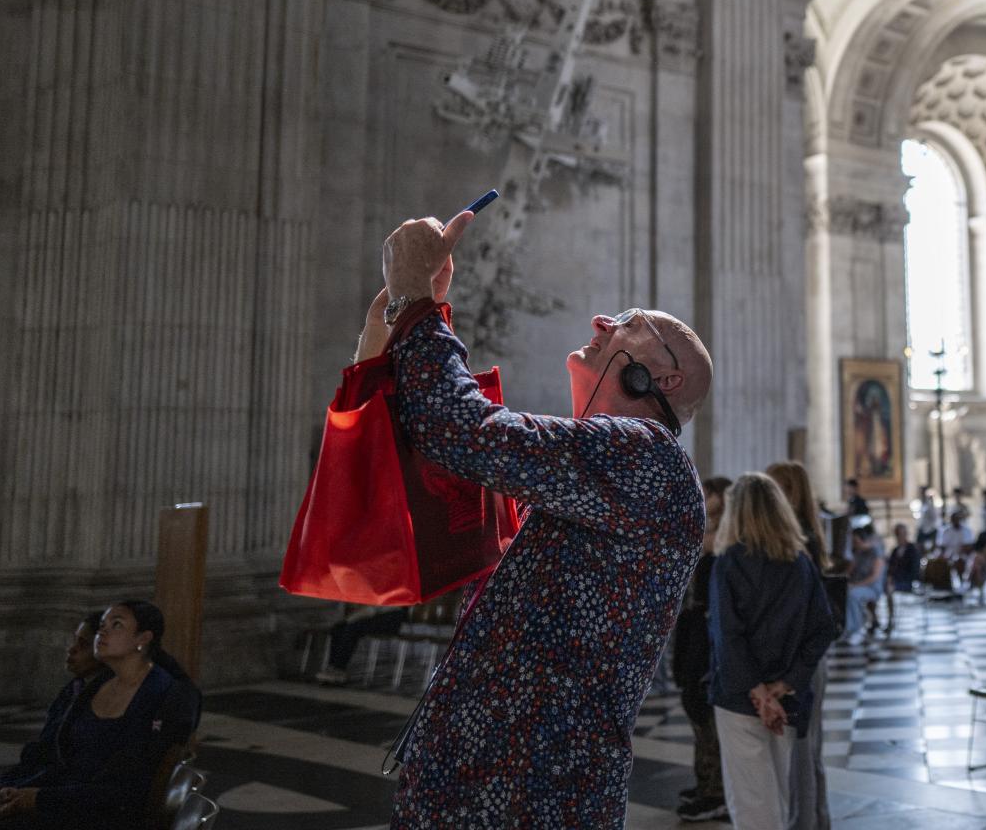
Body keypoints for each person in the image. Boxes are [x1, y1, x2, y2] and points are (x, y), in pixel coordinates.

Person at [364, 212, 711, 828]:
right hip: (475, 778)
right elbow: (423, 459)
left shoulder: (647, 457)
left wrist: (418, 305)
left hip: (530, 788)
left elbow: (463, 430)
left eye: (631, 324)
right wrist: (392, 326)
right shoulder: (574, 478)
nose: (603, 321)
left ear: (664, 379)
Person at [707, 474, 837, 830]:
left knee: (751, 805)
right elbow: (823, 629)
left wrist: (758, 692)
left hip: (740, 700)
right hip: (788, 699)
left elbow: (728, 635)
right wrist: (785, 684)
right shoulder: (801, 564)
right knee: (778, 799)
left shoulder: (730, 563)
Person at [0, 602, 202, 827]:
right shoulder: (97, 685)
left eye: (116, 625)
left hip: (106, 816)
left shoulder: (160, 696)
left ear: (143, 639)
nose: (102, 631)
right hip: (66, 800)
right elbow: (63, 760)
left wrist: (38, 798)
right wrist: (17, 790)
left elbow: (129, 790)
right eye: (102, 625)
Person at [762, 462, 834, 830]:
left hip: (800, 661)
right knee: (809, 752)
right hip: (808, 659)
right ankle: (818, 820)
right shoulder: (807, 535)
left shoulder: (797, 541)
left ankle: (804, 823)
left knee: (802, 753)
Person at [672, 476, 734, 824]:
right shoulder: (708, 531)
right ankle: (705, 782)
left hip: (708, 633)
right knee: (695, 707)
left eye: (709, 493)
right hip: (694, 627)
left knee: (705, 709)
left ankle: (716, 791)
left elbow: (705, 544)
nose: (704, 497)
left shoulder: (726, 538)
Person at [313, 605, 407, 685]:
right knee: (338, 628)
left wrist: (352, 618)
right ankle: (332, 666)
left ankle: (339, 669)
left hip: (391, 617)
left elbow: (375, 609)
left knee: (353, 628)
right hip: (375, 614)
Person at [843, 525, 885, 643]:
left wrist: (855, 585)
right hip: (857, 585)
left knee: (852, 595)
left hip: (872, 588)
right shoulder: (857, 553)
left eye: (854, 541)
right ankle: (847, 627)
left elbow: (874, 577)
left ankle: (856, 629)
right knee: (842, 592)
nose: (853, 543)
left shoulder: (876, 553)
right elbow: (849, 571)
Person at [882, 523, 920, 634]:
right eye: (898, 534)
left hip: (908, 582)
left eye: (902, 534)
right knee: (885, 586)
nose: (900, 537)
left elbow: (914, 571)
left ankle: (890, 620)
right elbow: (890, 567)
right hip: (895, 581)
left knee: (889, 589)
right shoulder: (895, 550)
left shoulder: (912, 549)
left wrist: (895, 578)